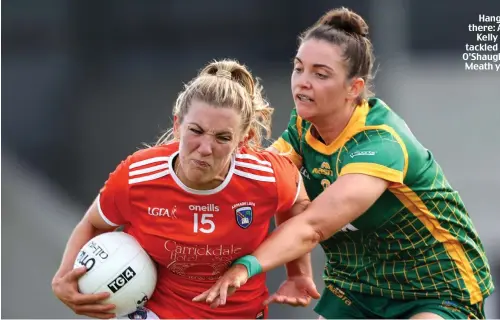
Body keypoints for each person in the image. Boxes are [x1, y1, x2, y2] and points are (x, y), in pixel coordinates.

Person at [193, 8, 495, 320]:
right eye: (299, 69)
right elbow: (271, 181)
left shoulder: (381, 143)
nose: (303, 83)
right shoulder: (303, 128)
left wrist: (246, 266)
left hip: (436, 288)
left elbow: (313, 226)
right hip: (357, 288)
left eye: (320, 74)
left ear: (354, 88)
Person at [51, 59, 320, 319]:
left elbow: (299, 207)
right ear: (178, 125)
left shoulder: (265, 175)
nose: (205, 148)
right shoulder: (138, 176)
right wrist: (63, 278)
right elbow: (95, 224)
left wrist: (298, 273)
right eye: (196, 130)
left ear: (243, 139)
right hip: (157, 312)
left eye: (223, 137)